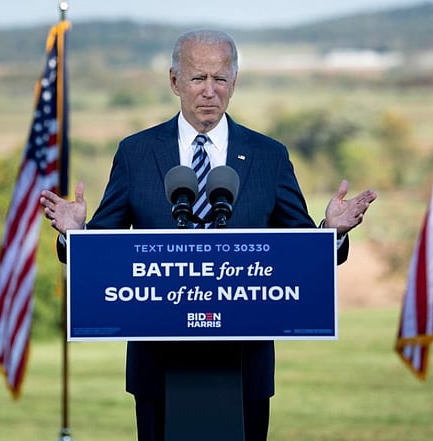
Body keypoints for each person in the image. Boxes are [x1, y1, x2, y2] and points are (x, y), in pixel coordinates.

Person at [40, 29, 377, 441]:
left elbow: (298, 252)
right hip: (158, 366)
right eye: (198, 78)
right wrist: (76, 236)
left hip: (243, 366)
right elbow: (106, 250)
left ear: (234, 83)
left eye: (220, 79)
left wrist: (331, 233)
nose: (209, 91)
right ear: (174, 81)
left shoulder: (269, 156)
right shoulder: (136, 152)